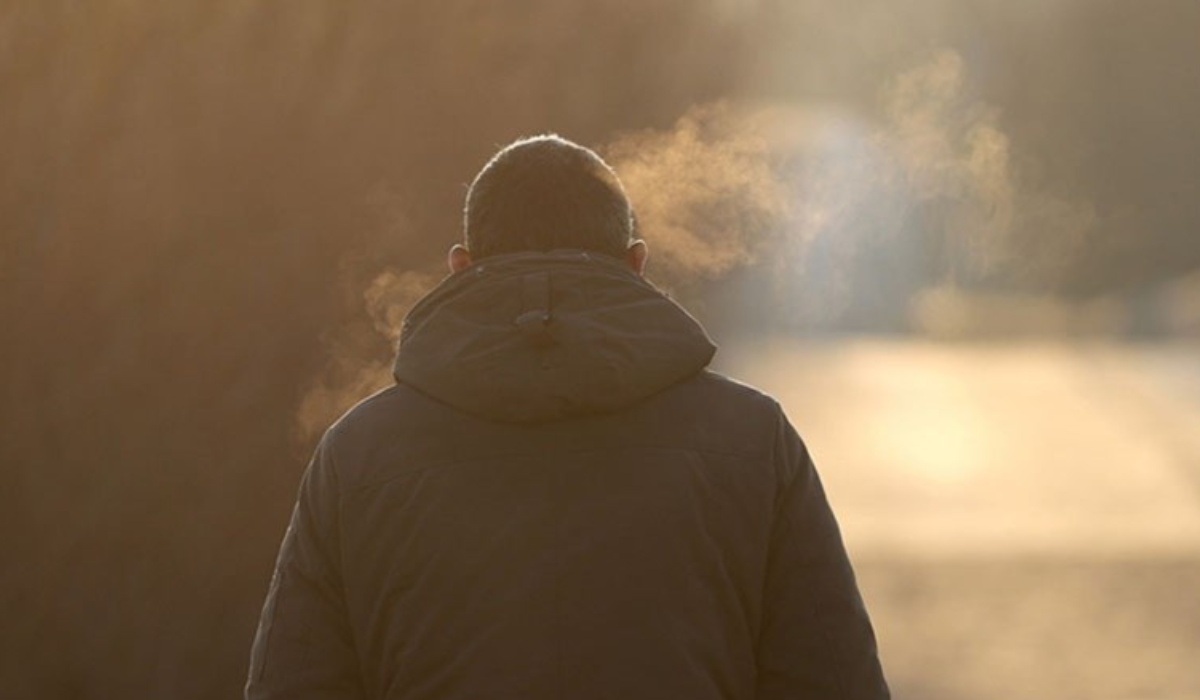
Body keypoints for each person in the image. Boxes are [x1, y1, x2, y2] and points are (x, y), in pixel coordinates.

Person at [246, 135, 890, 700]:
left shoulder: (358, 456)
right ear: (636, 263)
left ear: (461, 267)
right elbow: (830, 680)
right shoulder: (752, 440)